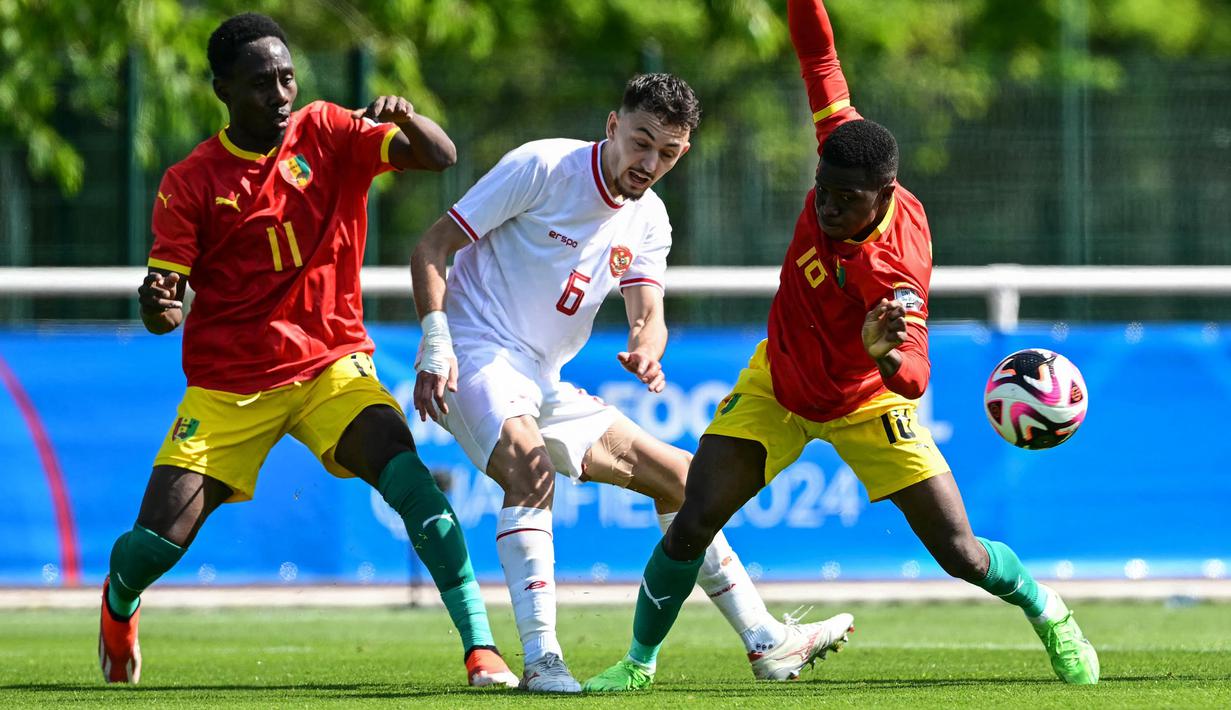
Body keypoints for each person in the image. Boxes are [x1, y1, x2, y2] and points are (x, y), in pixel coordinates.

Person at [584, 0, 1100, 692]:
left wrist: (883, 354)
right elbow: (818, 58)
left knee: (960, 554)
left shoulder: (893, 270)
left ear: (880, 196)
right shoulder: (846, 146)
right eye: (820, 190)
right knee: (691, 519)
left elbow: (913, 375)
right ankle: (637, 665)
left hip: (864, 402)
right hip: (779, 385)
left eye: (842, 200)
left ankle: (1050, 613)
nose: (825, 207)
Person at [97, 12, 517, 689]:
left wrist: (405, 118)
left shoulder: (328, 131)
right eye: (261, 82)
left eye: (287, 77)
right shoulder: (192, 180)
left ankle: (481, 648)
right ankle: (119, 606)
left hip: (331, 365)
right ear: (222, 91)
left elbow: (440, 156)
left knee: (409, 480)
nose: (280, 93)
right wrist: (159, 303)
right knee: (155, 544)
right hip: (229, 384)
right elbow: (163, 312)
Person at [410, 73, 850, 694]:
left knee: (685, 479)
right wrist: (435, 343)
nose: (649, 163)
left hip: (543, 377)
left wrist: (647, 344)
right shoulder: (541, 166)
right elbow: (431, 247)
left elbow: (648, 309)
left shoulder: (649, 219)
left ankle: (766, 642)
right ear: (613, 125)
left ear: (683, 153)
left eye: (667, 153)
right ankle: (543, 662)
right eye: (641, 142)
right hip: (474, 354)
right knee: (529, 471)